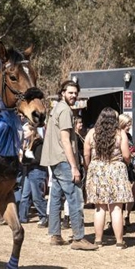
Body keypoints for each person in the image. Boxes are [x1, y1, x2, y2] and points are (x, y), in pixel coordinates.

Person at [40, 81, 97, 250]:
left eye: (75, 93)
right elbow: (65, 141)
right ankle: (79, 238)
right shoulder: (65, 110)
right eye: (70, 92)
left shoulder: (56, 108)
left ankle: (55, 235)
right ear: (63, 92)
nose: (73, 96)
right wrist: (74, 166)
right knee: (75, 197)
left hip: (53, 159)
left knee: (56, 197)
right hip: (64, 160)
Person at [83, 108, 134, 248]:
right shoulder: (120, 134)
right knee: (116, 208)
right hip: (116, 170)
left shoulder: (91, 133)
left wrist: (89, 167)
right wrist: (127, 163)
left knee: (99, 208)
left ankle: (98, 240)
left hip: (97, 170)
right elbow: (126, 155)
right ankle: (119, 242)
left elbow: (86, 154)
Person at [18, 123, 48, 227]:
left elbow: (39, 159)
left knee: (37, 197)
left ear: (32, 131)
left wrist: (27, 159)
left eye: (25, 131)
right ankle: (22, 217)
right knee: (24, 196)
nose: (24, 133)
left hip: (37, 171)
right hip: (29, 171)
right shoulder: (27, 143)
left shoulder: (38, 143)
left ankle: (44, 217)